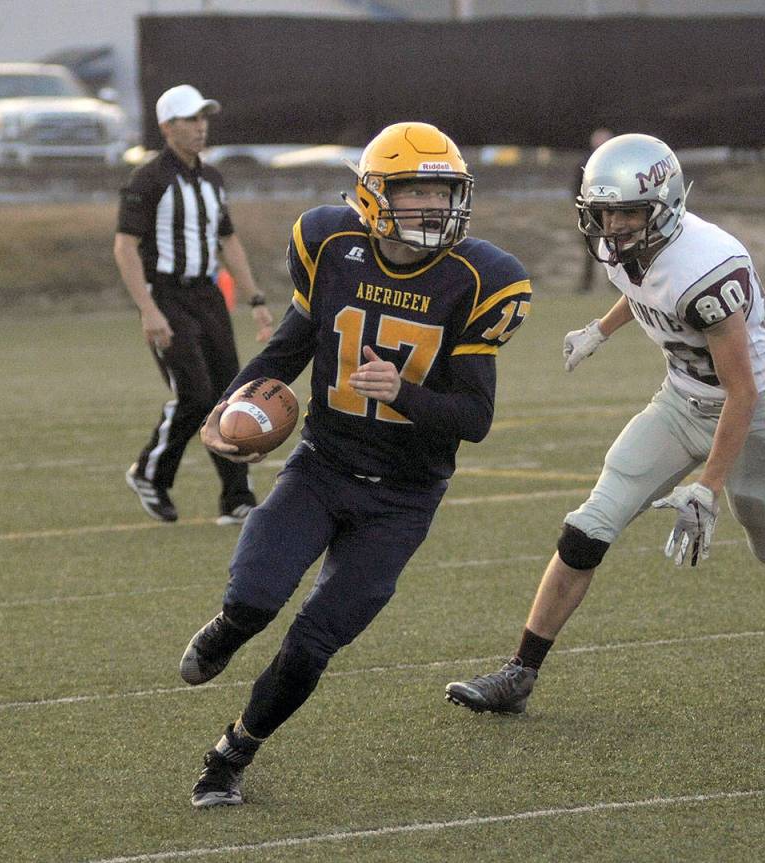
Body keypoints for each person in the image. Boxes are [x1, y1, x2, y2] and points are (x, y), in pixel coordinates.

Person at [444, 133, 765, 716]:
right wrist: (600, 330)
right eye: (605, 213)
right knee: (587, 528)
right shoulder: (630, 247)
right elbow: (641, 288)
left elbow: (743, 391)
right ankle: (519, 673)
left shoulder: (707, 269)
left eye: (629, 212)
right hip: (680, 403)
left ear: (665, 204)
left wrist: (707, 487)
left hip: (756, 418)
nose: (615, 226)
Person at [179, 122, 532, 807]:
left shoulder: (476, 279)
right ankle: (229, 628)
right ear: (373, 194)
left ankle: (231, 753)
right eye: (416, 189)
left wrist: (403, 391)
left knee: (314, 641)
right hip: (324, 465)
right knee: (255, 593)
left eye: (443, 190)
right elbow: (286, 351)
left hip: (403, 497)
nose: (433, 206)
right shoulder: (330, 244)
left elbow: (476, 419)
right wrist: (226, 410)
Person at [115, 84, 274, 525]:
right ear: (167, 127)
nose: (200, 127)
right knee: (193, 393)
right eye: (190, 119)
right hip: (165, 294)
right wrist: (148, 309)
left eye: (203, 118)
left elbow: (228, 241)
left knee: (227, 396)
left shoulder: (212, 179)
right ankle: (150, 472)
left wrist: (255, 298)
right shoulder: (148, 180)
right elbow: (125, 248)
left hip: (206, 296)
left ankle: (237, 498)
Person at [575, 127, 615, 292]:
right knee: (590, 251)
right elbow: (576, 188)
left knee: (616, 249)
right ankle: (586, 285)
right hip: (591, 214)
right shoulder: (586, 162)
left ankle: (617, 284)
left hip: (613, 212)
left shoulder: (616, 163)